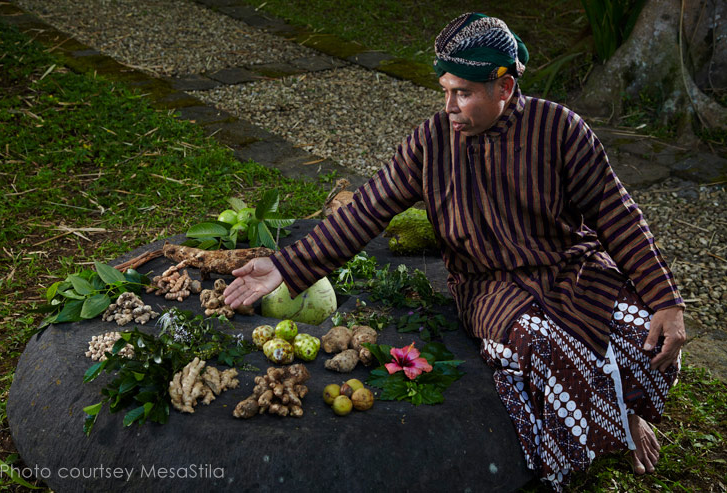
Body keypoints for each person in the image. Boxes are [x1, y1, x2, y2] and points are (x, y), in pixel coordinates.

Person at [223, 12, 686, 491]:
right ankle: (606, 426)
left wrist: (666, 300)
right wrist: (285, 264)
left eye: (462, 92)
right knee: (542, 345)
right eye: (445, 90)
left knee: (643, 330)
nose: (448, 105)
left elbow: (618, 215)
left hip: (571, 267)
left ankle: (618, 409)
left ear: (503, 88)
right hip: (492, 288)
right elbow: (366, 209)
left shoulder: (561, 130)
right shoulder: (430, 143)